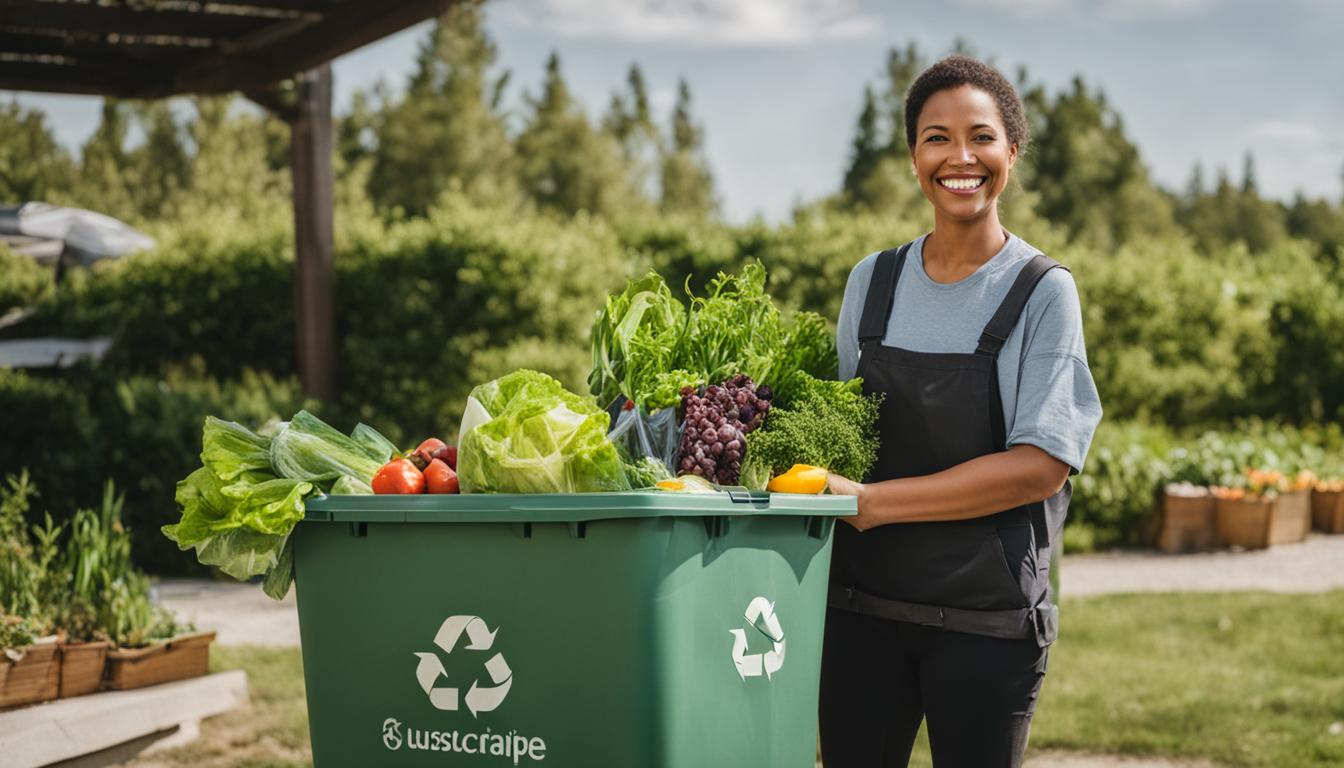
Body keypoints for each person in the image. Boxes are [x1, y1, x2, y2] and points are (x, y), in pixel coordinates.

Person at [819, 55, 1103, 768]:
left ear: (1012, 150)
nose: (960, 158)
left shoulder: (1042, 291)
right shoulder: (873, 282)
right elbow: (836, 432)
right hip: (859, 612)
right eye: (936, 137)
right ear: (914, 155)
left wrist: (877, 502)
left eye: (981, 136)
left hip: (988, 625)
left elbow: (1040, 466)